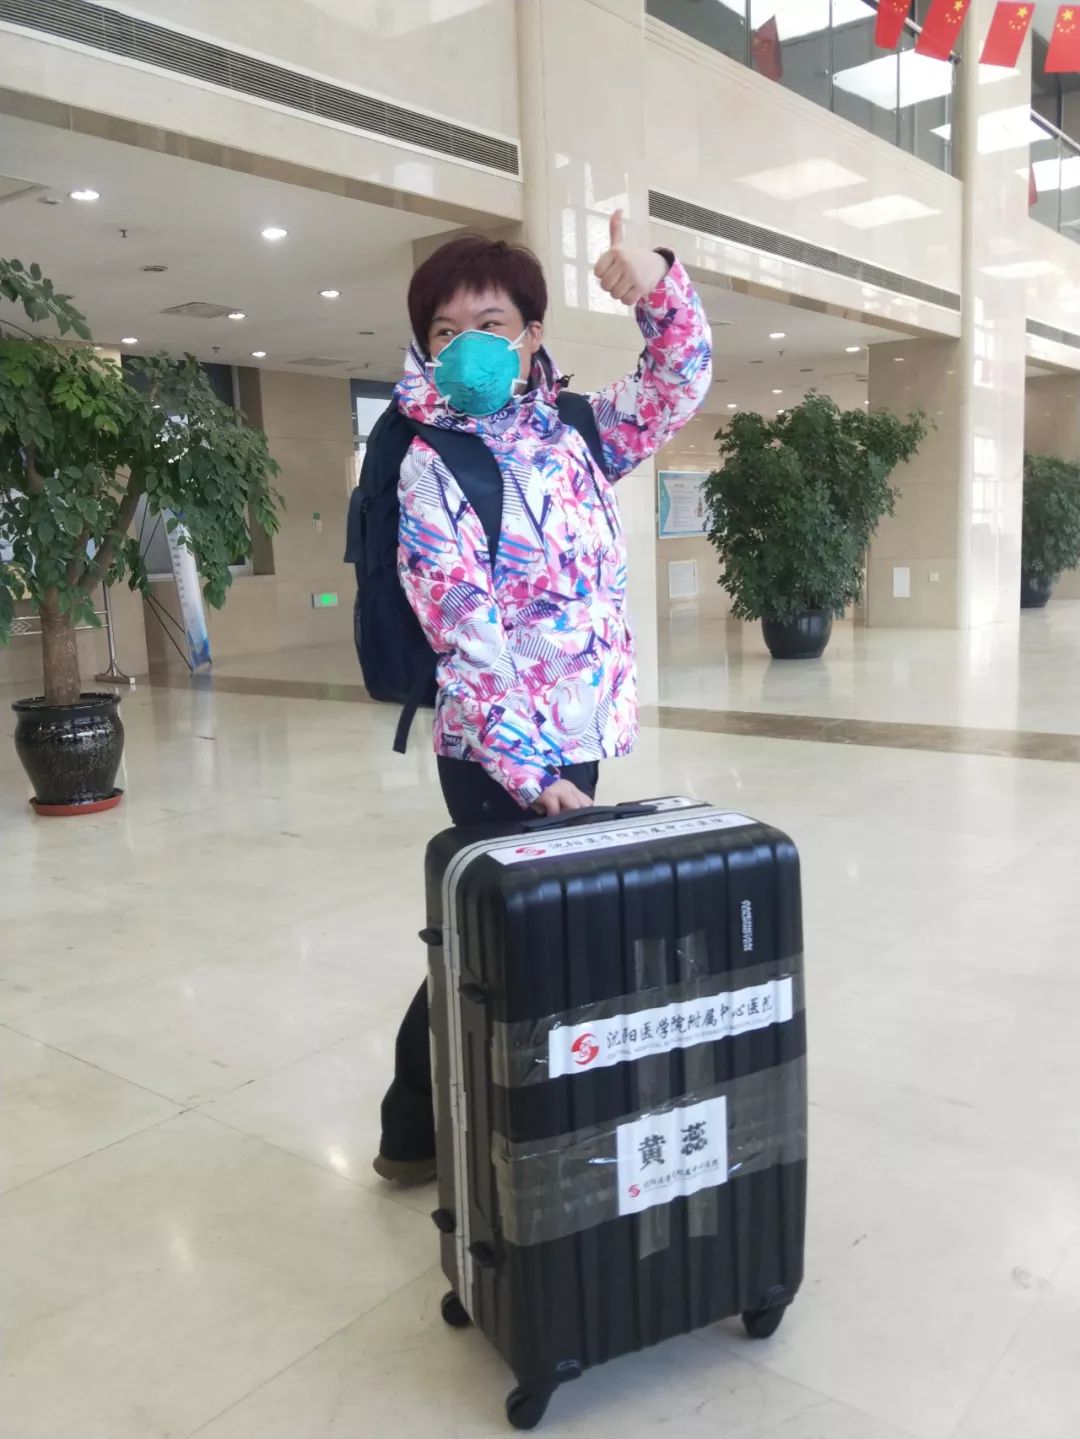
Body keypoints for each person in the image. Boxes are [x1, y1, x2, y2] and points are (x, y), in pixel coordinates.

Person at [374, 213, 712, 1183]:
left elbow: (679, 379)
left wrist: (657, 280)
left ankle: (442, 1126)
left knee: (507, 930)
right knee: (496, 935)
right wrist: (533, 774)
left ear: (531, 334)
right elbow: (465, 637)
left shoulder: (577, 430)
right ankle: (424, 1125)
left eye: (488, 323)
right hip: (498, 751)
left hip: (577, 733)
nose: (465, 346)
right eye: (444, 331)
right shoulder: (430, 462)